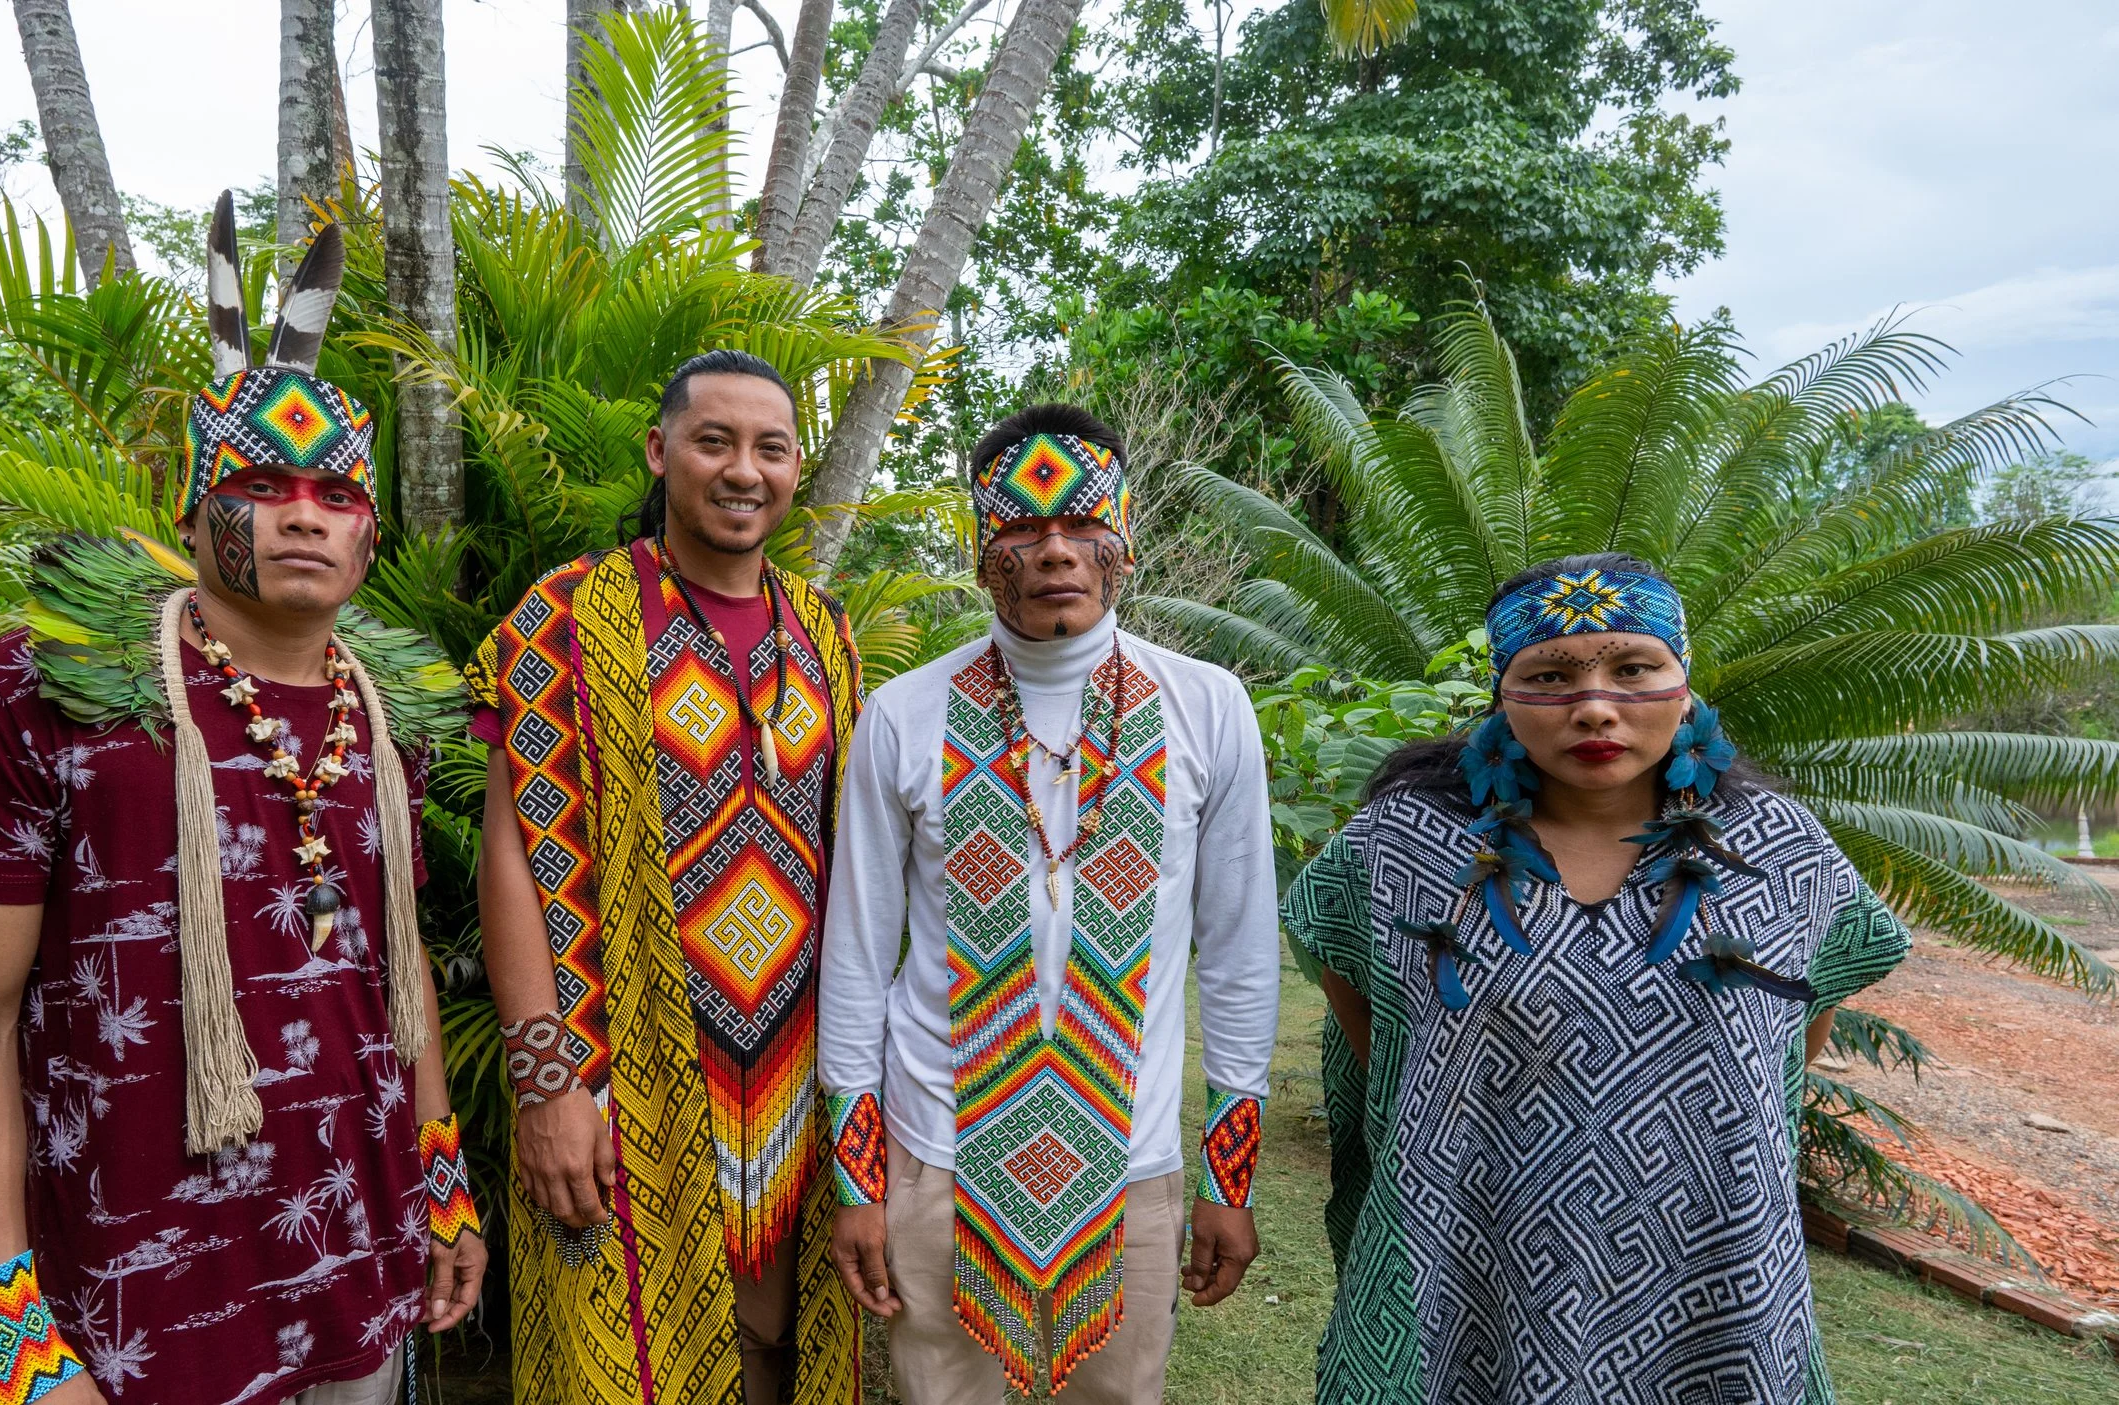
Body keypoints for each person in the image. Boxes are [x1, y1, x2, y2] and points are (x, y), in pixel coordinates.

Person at [0, 193, 487, 1405]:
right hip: (137, 1312)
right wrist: (5, 1349)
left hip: (357, 1273)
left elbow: (398, 969)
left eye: (337, 494)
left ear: (371, 530)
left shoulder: (389, 711)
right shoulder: (42, 686)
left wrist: (441, 1178)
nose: (301, 512)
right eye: (264, 480)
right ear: (196, 500)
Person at [1289, 552, 1914, 1404]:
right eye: (1549, 673)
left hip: (1709, 1263)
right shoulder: (1406, 843)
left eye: (1634, 668)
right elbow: (1359, 998)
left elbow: (1795, 1041)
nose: (1594, 704)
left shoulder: (1779, 851)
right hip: (1462, 1249)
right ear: (1502, 697)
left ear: (1683, 682)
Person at [817, 403, 1281, 1401]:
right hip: (937, 1153)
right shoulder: (903, 715)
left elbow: (1240, 952)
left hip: (1131, 1157)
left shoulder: (1206, 706)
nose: (1055, 550)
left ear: (1123, 539)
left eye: (1081, 523)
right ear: (985, 552)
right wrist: (858, 1183)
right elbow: (855, 956)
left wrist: (1225, 1176)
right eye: (1023, 531)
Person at [465, 349, 866, 1403]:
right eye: (713, 440)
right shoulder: (567, 616)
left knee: (781, 1342)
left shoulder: (824, 634)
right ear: (660, 451)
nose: (744, 470)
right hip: (611, 1064)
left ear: (795, 468)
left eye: (770, 448)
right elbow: (511, 856)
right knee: (617, 1359)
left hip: (792, 1070)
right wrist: (547, 1080)